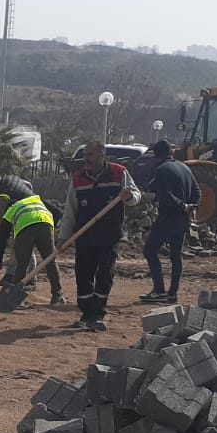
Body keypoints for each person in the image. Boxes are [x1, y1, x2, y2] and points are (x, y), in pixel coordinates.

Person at [60, 139, 140, 332]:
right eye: (85, 155)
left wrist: (129, 196)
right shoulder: (78, 178)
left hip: (110, 235)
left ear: (101, 156)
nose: (86, 159)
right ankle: (87, 314)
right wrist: (63, 236)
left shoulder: (119, 173)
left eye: (90, 155)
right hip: (84, 235)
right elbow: (70, 210)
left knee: (105, 275)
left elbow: (136, 196)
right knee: (83, 275)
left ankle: (98, 314)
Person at [140, 140, 200, 304]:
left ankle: (159, 290)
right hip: (183, 219)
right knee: (176, 255)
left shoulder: (161, 170)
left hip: (168, 217)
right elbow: (196, 191)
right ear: (171, 153)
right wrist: (192, 206)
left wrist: (183, 206)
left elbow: (166, 196)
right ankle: (172, 293)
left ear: (157, 155)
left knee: (150, 251)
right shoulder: (185, 167)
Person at [0, 187, 66, 306]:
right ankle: (57, 296)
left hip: (26, 229)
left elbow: (2, 237)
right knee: (50, 261)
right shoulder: (36, 200)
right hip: (46, 225)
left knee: (22, 264)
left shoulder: (11, 209)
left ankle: (17, 298)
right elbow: (57, 212)